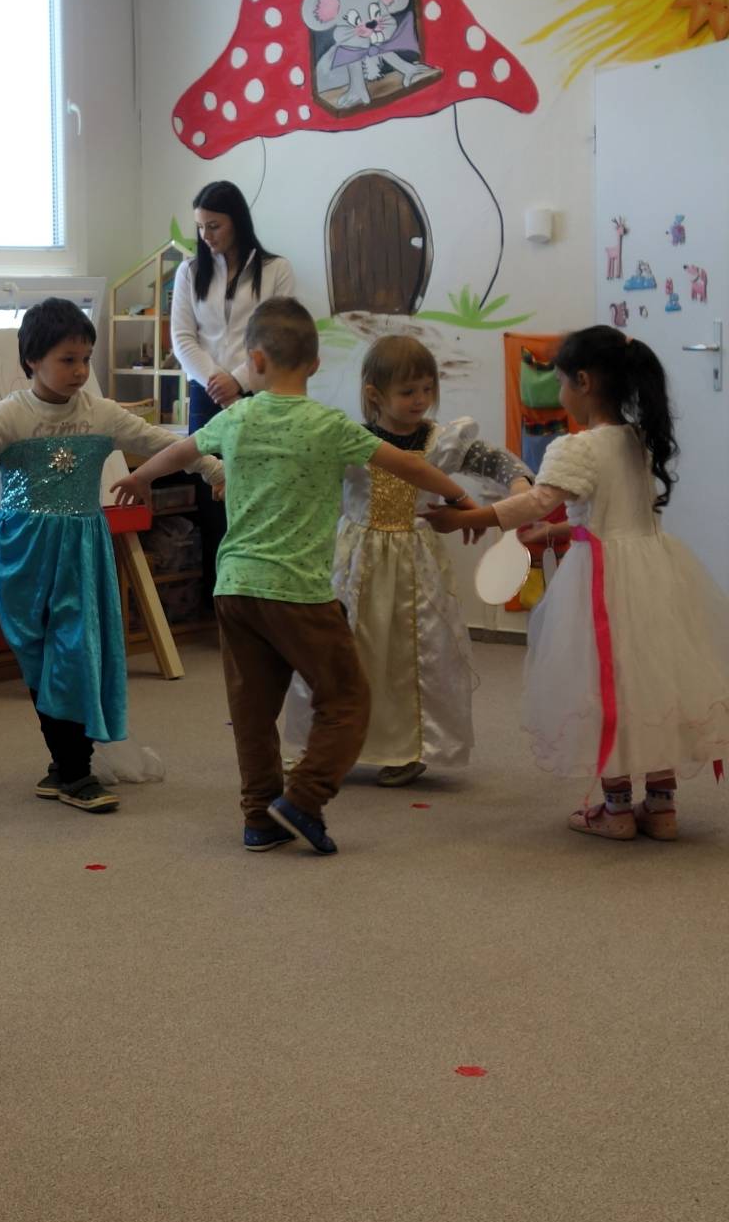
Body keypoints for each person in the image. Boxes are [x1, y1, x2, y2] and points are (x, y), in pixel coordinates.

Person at [114, 298, 473, 855]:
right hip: (299, 592)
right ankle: (302, 799)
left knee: (253, 713)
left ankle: (259, 818)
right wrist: (457, 495)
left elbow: (180, 450)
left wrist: (141, 481)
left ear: (254, 361)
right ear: (314, 363)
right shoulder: (328, 426)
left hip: (235, 588)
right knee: (348, 700)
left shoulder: (236, 417)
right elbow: (405, 463)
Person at [425, 325, 729, 840]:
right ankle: (661, 808)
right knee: (653, 681)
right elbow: (617, 515)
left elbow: (536, 501)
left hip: (604, 584)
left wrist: (467, 519)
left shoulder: (576, 447)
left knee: (603, 682)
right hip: (654, 573)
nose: (560, 391)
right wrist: (557, 531)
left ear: (583, 382)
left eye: (561, 381)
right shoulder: (637, 439)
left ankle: (616, 811)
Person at [0, 297, 225, 813]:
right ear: (32, 360)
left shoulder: (100, 413)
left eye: (85, 359)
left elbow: (162, 444)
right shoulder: (10, 414)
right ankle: (63, 763)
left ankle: (75, 770)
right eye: (68, 359)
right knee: (39, 656)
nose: (81, 370)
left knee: (75, 652)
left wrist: (214, 469)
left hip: (82, 551)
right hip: (25, 552)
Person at [281, 335, 533, 786]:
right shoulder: (350, 439)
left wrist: (518, 489)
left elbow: (502, 464)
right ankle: (326, 743)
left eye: (427, 389)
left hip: (415, 567)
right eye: (408, 391)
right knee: (342, 650)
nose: (420, 400)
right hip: (354, 564)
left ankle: (408, 749)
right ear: (375, 394)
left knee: (411, 655)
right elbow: (301, 474)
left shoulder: (440, 441)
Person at [170, 181, 299, 595]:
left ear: (237, 221)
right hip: (206, 393)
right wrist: (215, 380)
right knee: (212, 493)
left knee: (261, 488)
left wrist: (238, 379)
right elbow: (182, 337)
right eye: (200, 227)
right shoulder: (190, 271)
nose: (206, 235)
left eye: (214, 226)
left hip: (259, 391)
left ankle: (260, 590)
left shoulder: (276, 269)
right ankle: (218, 597)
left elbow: (280, 334)